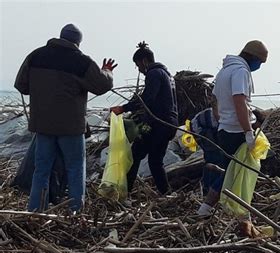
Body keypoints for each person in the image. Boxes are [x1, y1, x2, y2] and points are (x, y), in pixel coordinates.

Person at [14, 23, 116, 213]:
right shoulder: (81, 61)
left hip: (43, 126)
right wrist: (107, 71)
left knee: (41, 170)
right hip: (71, 128)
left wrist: (41, 90)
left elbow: (21, 85)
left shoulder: (35, 56)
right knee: (76, 169)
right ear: (78, 42)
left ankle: (36, 211)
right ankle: (76, 212)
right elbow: (101, 85)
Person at [197, 40, 268, 216]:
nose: (259, 66)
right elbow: (239, 101)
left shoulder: (225, 70)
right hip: (236, 131)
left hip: (225, 129)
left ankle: (210, 209)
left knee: (230, 171)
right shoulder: (240, 71)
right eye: (260, 62)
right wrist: (248, 132)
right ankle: (227, 211)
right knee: (236, 173)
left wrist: (222, 119)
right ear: (252, 56)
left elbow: (215, 100)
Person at [110, 42, 178, 195]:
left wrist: (123, 108)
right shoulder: (166, 74)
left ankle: (124, 192)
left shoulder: (154, 73)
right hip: (169, 123)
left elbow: (147, 98)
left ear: (144, 61)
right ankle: (166, 193)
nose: (139, 70)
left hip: (158, 124)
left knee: (134, 156)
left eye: (138, 65)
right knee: (155, 161)